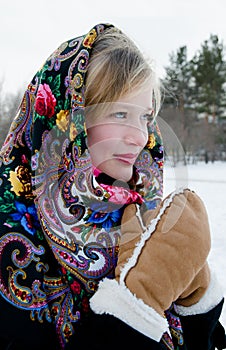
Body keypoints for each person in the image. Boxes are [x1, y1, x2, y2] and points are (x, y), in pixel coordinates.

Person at [0, 23, 225, 350]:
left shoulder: (138, 213)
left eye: (145, 117)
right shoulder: (11, 239)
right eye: (120, 113)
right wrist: (137, 302)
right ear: (68, 119)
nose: (141, 136)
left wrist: (197, 301)